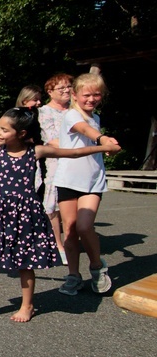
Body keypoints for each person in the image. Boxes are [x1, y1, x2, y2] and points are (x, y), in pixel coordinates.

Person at [0, 107, 120, 322]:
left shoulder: (35, 151)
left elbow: (73, 153)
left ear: (22, 133)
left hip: (25, 216)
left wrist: (102, 147)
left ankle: (27, 306)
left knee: (24, 263)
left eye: (4, 130)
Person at [54, 73, 119, 295]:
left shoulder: (96, 118)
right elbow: (86, 131)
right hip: (68, 180)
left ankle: (97, 267)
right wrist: (103, 140)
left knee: (83, 226)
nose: (91, 99)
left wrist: (104, 146)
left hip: (92, 182)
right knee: (70, 230)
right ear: (74, 95)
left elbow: (91, 132)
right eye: (87, 95)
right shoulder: (72, 115)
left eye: (97, 94)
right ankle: (73, 275)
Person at [39, 74, 73, 264]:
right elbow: (51, 138)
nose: (67, 90)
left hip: (77, 162)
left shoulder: (75, 111)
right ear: (50, 92)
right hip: (56, 161)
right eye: (61, 88)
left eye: (69, 87)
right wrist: (78, 148)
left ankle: (70, 241)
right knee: (53, 204)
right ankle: (58, 244)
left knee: (72, 202)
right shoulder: (45, 111)